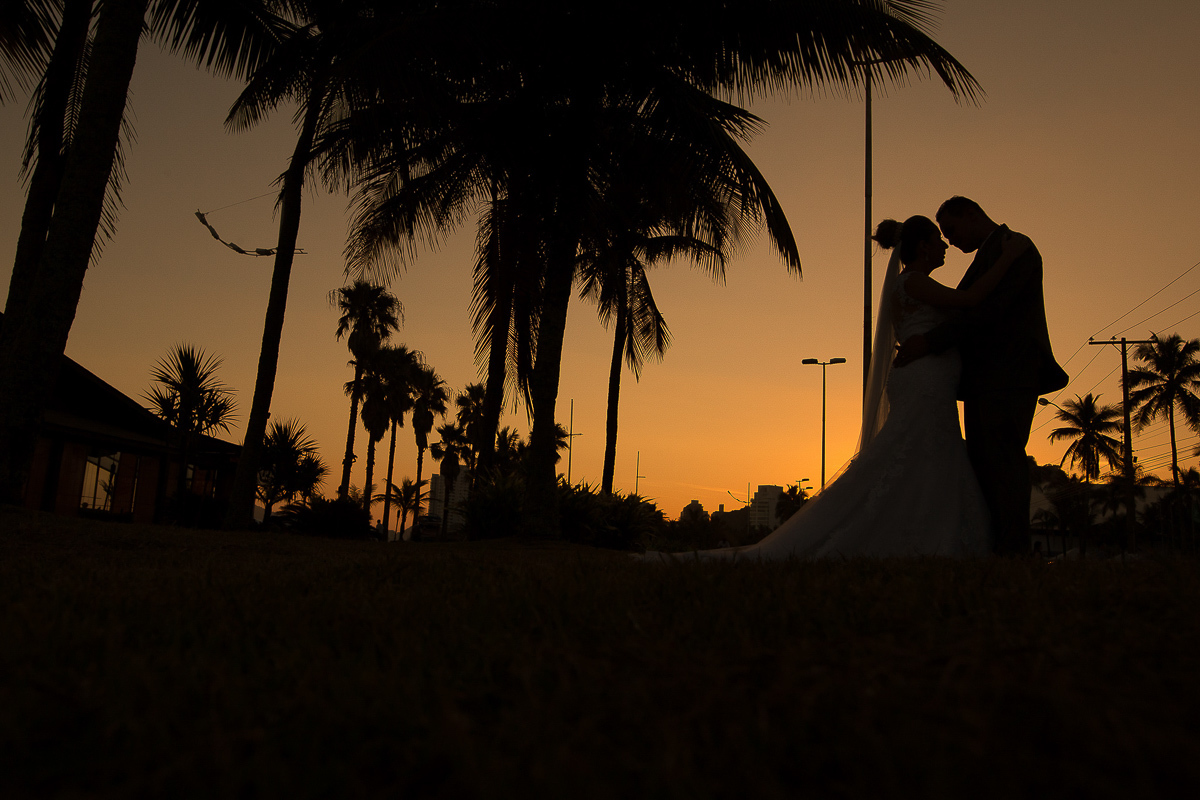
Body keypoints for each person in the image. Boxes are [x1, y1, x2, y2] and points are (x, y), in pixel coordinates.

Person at [639, 215, 1029, 561]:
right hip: (925, 381)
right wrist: (1010, 258)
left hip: (928, 382)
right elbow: (970, 299)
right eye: (939, 240)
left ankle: (926, 531)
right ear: (924, 246)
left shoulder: (910, 283)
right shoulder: (914, 283)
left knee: (924, 456)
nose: (945, 245)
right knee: (921, 453)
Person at [895, 197, 1069, 556]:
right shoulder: (986, 258)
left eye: (952, 230)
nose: (951, 241)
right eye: (943, 234)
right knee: (984, 464)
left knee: (1003, 462)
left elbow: (985, 312)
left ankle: (1012, 552)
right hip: (983, 381)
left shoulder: (1015, 248)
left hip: (1008, 375)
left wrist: (928, 341)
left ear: (972, 214)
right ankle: (996, 548)